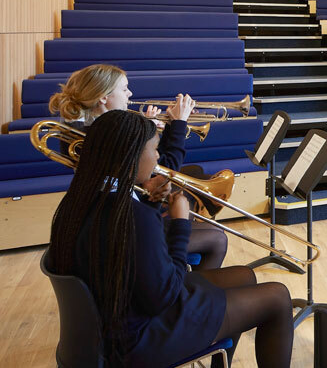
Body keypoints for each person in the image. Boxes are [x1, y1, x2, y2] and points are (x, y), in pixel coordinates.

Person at [48, 110, 293, 368]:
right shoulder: (134, 217)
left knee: (245, 276)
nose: (158, 157)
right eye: (154, 149)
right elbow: (164, 296)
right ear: (131, 155)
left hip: (116, 318)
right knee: (277, 297)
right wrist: (180, 223)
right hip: (139, 339)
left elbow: (137, 260)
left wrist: (153, 203)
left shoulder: (80, 201)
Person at [48, 64, 228, 269]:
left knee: (195, 179)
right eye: (124, 88)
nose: (130, 94)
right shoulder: (108, 135)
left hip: (117, 212)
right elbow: (162, 172)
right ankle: (184, 278)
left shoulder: (95, 128)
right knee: (217, 237)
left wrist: (155, 132)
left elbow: (154, 166)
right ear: (103, 97)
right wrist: (177, 125)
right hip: (124, 226)